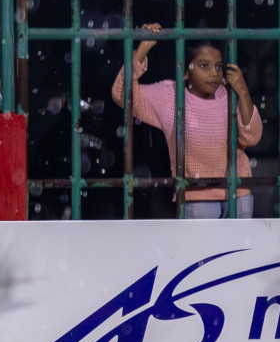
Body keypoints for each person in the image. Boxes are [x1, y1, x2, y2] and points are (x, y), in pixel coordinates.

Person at [110, 24, 262, 218]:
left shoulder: (230, 95)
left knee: (241, 248)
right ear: (186, 71)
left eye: (218, 66)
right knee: (205, 249)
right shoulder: (170, 96)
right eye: (204, 66)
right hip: (196, 197)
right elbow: (121, 94)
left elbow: (252, 137)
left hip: (238, 193)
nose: (214, 73)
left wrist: (243, 92)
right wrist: (143, 49)